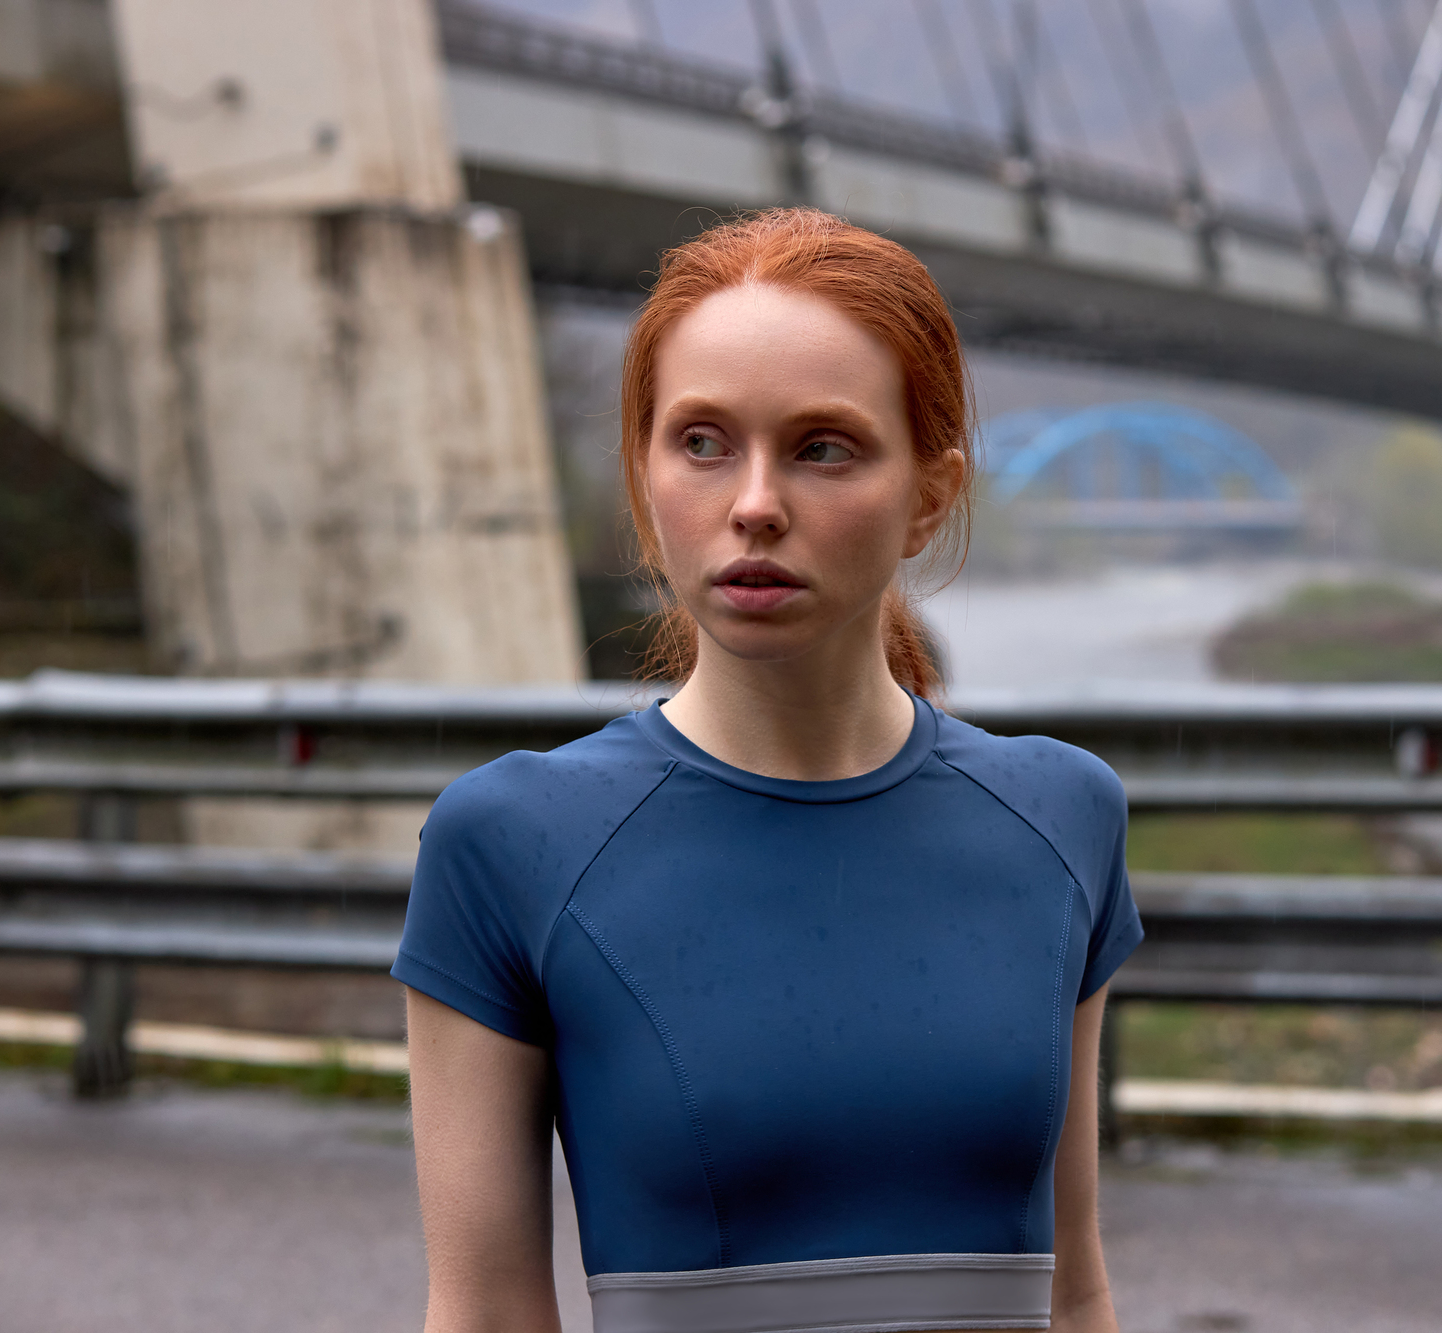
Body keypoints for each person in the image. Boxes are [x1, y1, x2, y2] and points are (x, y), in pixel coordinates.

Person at [395, 208, 1143, 1333]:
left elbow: (1074, 1288)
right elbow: (487, 1312)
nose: (752, 504)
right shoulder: (510, 841)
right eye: (702, 442)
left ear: (928, 497)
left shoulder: (1060, 816)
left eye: (821, 446)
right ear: (645, 485)